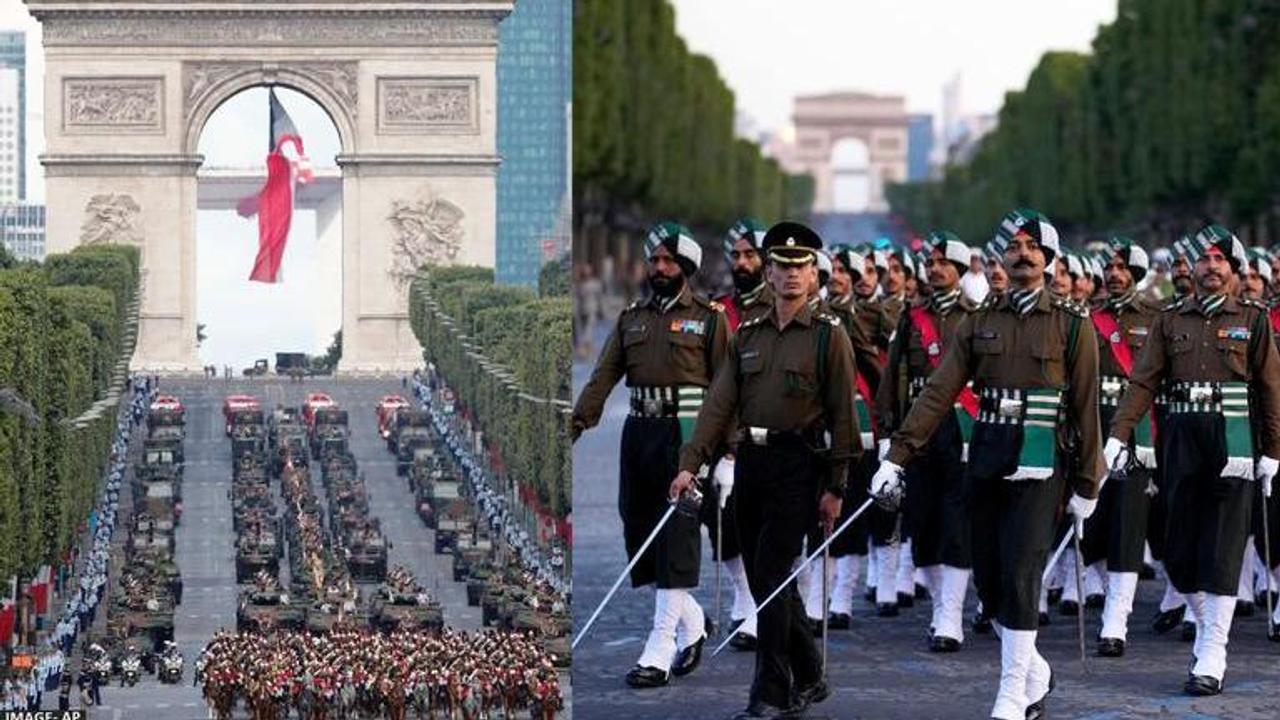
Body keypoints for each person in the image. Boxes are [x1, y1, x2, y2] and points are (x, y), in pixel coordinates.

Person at [875, 208, 1104, 720]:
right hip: (987, 455)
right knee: (992, 578)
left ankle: (1009, 692)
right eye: (1013, 247)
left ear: (1048, 259)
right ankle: (1035, 671)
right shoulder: (979, 323)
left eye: (1032, 248)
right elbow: (939, 390)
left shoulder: (1072, 326)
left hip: (1042, 462)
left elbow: (1086, 407)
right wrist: (897, 454)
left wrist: (1089, 482)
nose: (1022, 255)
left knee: (1022, 571)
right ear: (999, 257)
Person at [672, 220, 859, 719]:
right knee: (764, 579)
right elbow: (718, 404)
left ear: (814, 275)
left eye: (801, 266)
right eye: (782, 265)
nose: (792, 275)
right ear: (769, 274)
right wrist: (691, 464)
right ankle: (812, 672)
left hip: (800, 466)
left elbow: (844, 414)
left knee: (773, 573)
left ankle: (770, 693)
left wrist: (838, 486)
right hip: (752, 463)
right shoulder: (748, 334)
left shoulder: (828, 337)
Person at [1107, 224, 1280, 695]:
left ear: (1233, 269)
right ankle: (1205, 625)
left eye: (1218, 260)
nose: (1209, 267)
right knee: (1178, 550)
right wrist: (1119, 433)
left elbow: (1269, 389)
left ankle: (1213, 651)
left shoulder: (1254, 318)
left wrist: (1273, 452)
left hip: (1234, 442)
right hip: (1180, 440)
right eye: (1202, 260)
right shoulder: (1169, 319)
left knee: (1223, 548)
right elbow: (1143, 381)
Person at [572, 221, 728, 688]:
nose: (658, 267)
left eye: (668, 261)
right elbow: (603, 375)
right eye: (654, 259)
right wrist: (577, 422)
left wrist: (727, 454)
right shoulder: (631, 318)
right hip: (638, 433)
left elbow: (727, 390)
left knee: (676, 537)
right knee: (639, 529)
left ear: (685, 267)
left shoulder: (711, 318)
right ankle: (693, 622)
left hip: (686, 434)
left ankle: (660, 648)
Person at [875, 230, 979, 652]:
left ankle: (950, 615)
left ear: (958, 270)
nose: (935, 269)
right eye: (931, 263)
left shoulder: (977, 315)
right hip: (919, 430)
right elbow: (892, 376)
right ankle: (940, 606)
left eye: (943, 263)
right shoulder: (909, 317)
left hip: (960, 428)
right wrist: (888, 435)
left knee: (956, 523)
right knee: (923, 520)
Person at [1077, 237, 1161, 658]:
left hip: (1135, 432)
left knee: (1128, 526)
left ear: (1137, 274)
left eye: (1121, 268)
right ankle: (1102, 589)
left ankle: (1116, 621)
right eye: (1108, 267)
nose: (1112, 274)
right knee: (1090, 523)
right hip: (1094, 429)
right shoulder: (1088, 318)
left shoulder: (1156, 317)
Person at [709, 218, 774, 651]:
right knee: (723, 532)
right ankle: (746, 594)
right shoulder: (717, 312)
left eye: (751, 254)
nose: (742, 262)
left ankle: (765, 603)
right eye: (737, 255)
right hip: (726, 440)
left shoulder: (784, 309)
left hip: (774, 438)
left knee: (771, 528)